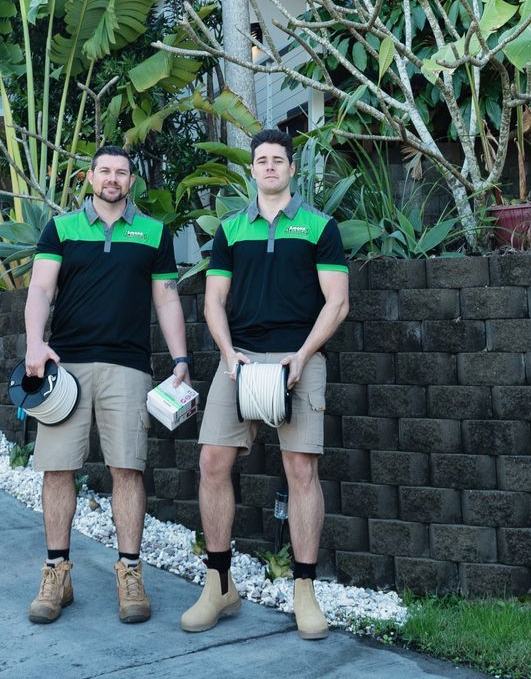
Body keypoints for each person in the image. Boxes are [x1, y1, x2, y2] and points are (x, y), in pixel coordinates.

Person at [180, 129, 350, 641]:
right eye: (261, 160)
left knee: (301, 471)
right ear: (251, 170)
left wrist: (303, 356)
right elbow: (213, 302)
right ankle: (218, 584)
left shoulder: (320, 226)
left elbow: (336, 302)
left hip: (300, 359)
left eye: (279, 160)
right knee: (212, 461)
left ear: (292, 169)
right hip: (241, 361)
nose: (270, 167)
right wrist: (229, 356)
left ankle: (304, 591)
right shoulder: (230, 230)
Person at [23, 145, 191, 627]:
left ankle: (130, 573)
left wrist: (179, 359)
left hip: (128, 367)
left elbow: (166, 299)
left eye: (121, 172)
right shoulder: (61, 228)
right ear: (90, 177)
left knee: (127, 469)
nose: (112, 179)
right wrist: (35, 342)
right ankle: (56, 572)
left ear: (131, 181)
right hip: (65, 366)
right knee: (57, 470)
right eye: (104, 171)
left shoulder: (154, 233)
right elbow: (40, 290)